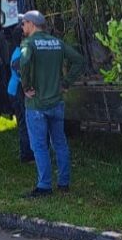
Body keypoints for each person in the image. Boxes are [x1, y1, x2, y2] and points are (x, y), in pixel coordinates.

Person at [18, 10, 85, 198]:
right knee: (60, 143)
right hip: (57, 102)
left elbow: (23, 61)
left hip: (37, 105)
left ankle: (44, 186)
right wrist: (66, 82)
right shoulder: (57, 42)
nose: (22, 27)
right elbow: (79, 61)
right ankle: (64, 183)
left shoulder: (29, 43)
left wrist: (26, 86)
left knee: (39, 146)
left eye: (23, 23)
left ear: (31, 24)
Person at [7, 42, 34, 162]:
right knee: (25, 122)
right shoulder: (20, 54)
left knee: (23, 123)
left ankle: (26, 153)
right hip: (18, 91)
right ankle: (27, 155)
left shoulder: (18, 52)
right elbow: (21, 74)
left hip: (14, 90)